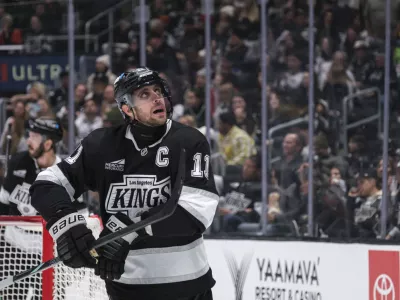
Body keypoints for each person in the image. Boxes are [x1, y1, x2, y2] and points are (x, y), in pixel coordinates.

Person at [29, 67, 219, 300]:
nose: (157, 97)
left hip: (188, 288)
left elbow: (197, 211)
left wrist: (129, 230)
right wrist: (67, 227)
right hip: (125, 290)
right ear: (127, 109)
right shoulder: (101, 145)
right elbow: (46, 183)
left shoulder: (189, 141)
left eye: (158, 91)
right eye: (145, 94)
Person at [0, 117, 86, 300]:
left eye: (34, 137)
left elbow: (82, 216)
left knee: (50, 296)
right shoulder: (18, 163)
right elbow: (3, 203)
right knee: (11, 297)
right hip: (13, 251)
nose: (28, 140)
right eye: (29, 135)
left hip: (48, 252)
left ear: (48, 144)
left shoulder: (67, 172)